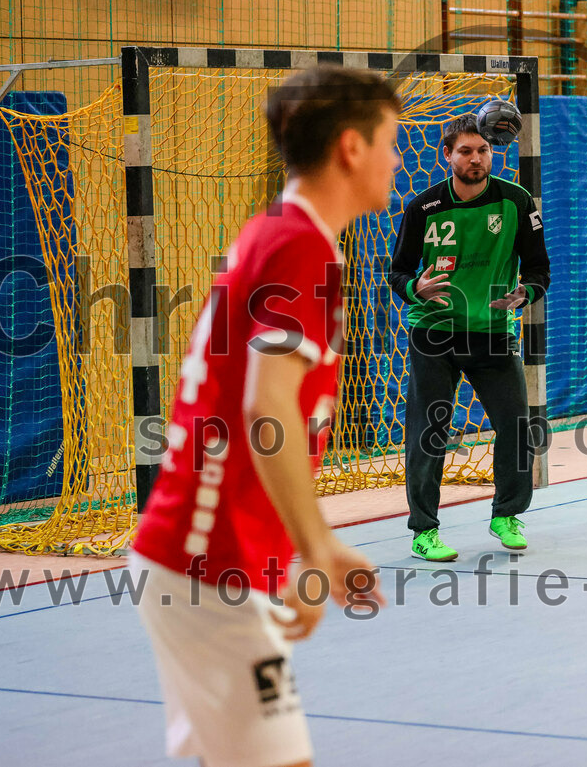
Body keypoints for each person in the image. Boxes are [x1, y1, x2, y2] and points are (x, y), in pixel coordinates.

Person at [130, 65, 399, 767]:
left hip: (214, 557)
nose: (398, 159)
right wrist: (316, 548)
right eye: (391, 142)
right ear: (351, 147)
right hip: (207, 561)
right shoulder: (299, 245)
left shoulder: (276, 231)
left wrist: (284, 557)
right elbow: (266, 405)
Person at [389, 112, 550, 562]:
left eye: (482, 150)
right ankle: (424, 530)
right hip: (434, 335)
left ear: (492, 151)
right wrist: (413, 288)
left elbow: (539, 267)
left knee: (517, 426)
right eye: (465, 151)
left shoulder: (517, 202)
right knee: (429, 433)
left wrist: (526, 292)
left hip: (493, 334)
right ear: (447, 156)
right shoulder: (423, 207)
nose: (475, 158)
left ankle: (506, 514)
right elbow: (398, 271)